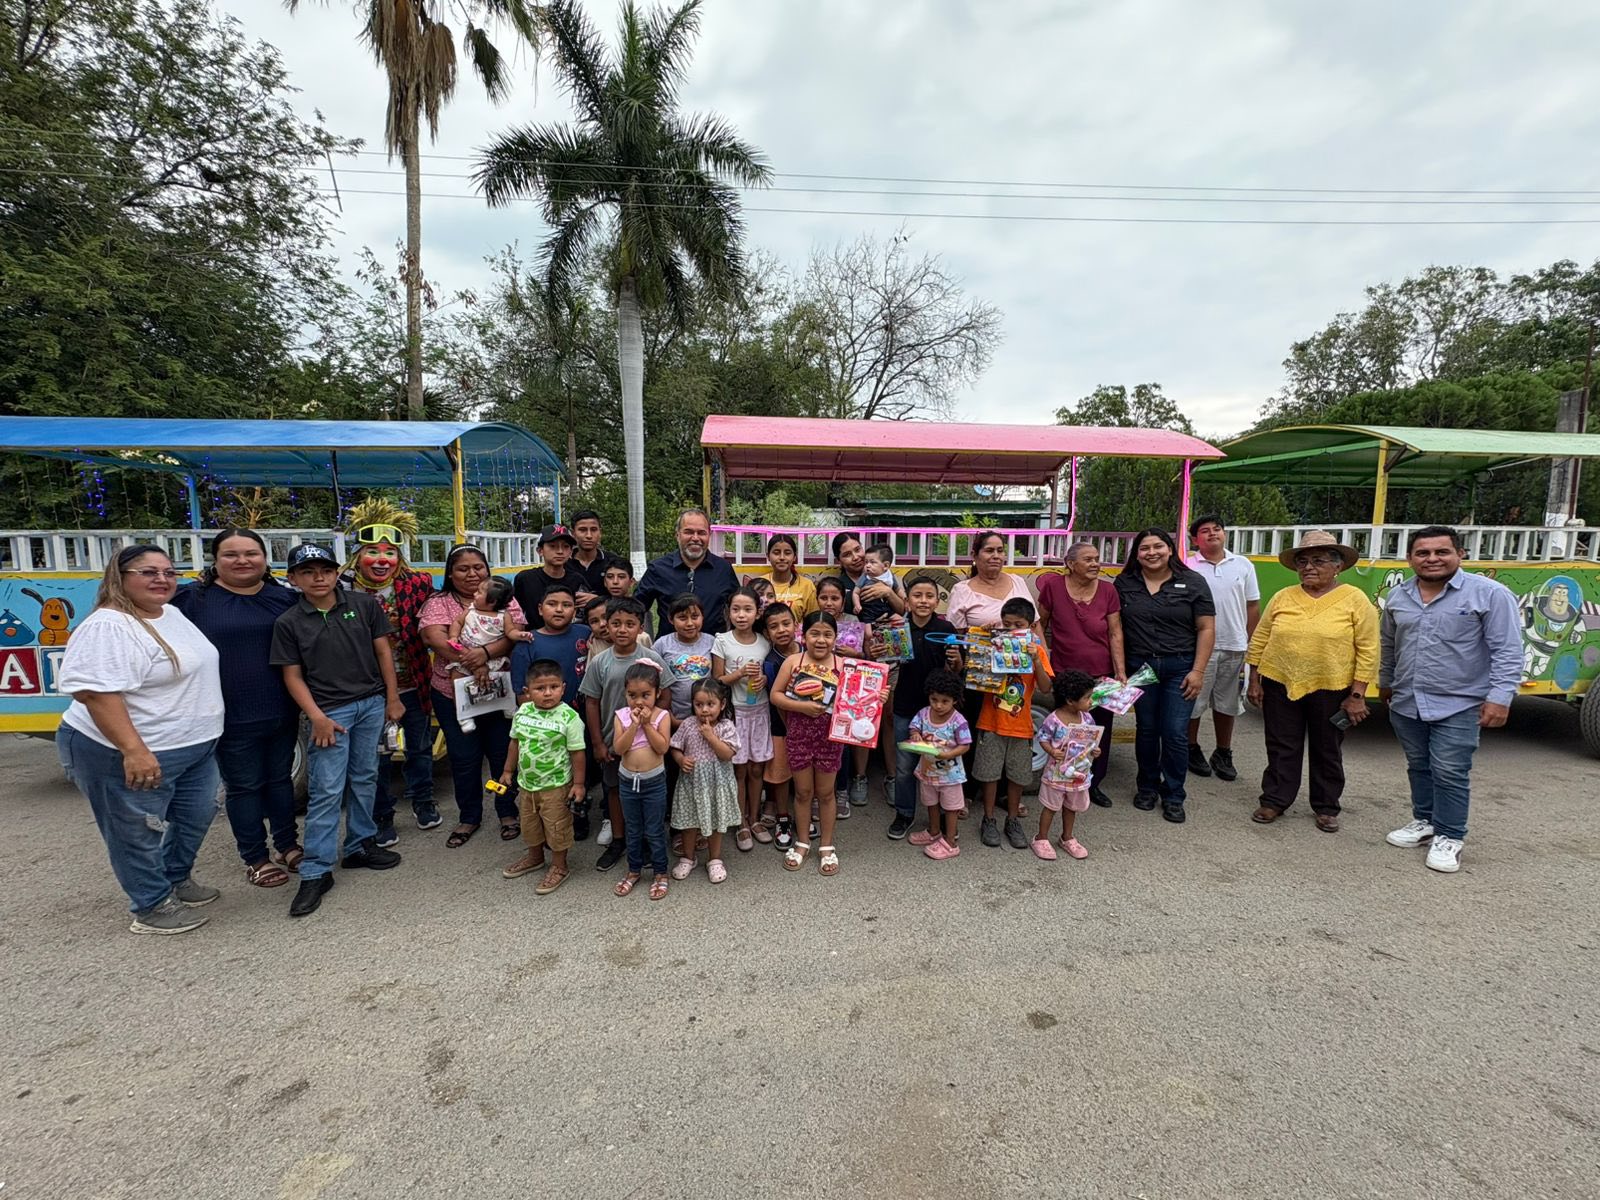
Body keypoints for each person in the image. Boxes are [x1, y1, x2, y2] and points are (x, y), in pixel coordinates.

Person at [57, 545, 224, 935]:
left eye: (168, 571)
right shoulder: (109, 626)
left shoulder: (172, 614)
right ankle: (151, 905)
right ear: (120, 576)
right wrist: (133, 750)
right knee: (136, 828)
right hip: (127, 750)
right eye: (147, 572)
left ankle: (174, 878)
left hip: (193, 746)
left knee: (197, 814)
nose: (162, 579)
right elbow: (96, 694)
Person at [270, 544, 406, 918]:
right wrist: (316, 716)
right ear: (293, 578)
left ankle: (360, 845)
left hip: (371, 703)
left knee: (365, 776)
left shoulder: (363, 605)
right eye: (308, 572)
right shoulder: (290, 622)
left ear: (336, 573)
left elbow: (383, 654)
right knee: (326, 790)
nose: (318, 578)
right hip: (330, 713)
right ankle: (315, 870)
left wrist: (392, 697)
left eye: (325, 570)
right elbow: (292, 675)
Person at [1379, 525, 1521, 873]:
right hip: (1407, 700)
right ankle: (1425, 821)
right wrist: (1386, 682)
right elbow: (1388, 644)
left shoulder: (1489, 594)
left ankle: (1450, 835)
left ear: (1460, 554)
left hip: (1461, 702)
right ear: (1410, 558)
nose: (1432, 559)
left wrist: (1500, 697)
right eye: (1422, 553)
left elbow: (1508, 650)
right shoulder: (1399, 597)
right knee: (1419, 765)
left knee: (1450, 770)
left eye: (1441, 552)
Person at [171, 528, 300, 889]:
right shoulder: (192, 601)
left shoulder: (285, 599)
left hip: (281, 707)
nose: (242, 560)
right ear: (215, 561)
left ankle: (287, 845)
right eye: (231, 554)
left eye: (251, 553)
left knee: (280, 781)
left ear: (265, 559)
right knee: (243, 786)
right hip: (227, 712)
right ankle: (255, 857)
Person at [1245, 531, 1378, 834]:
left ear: (1337, 566)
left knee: (1327, 747)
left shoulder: (1355, 599)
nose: (1308, 567)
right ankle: (1275, 799)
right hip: (1279, 681)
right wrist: (1254, 679)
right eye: (1303, 561)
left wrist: (1357, 694)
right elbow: (1261, 638)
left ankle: (1326, 806)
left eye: (1318, 560)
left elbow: (1369, 649)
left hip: (1332, 686)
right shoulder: (1283, 596)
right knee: (1281, 744)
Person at [339, 504, 440, 842]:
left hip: (413, 681)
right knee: (375, 756)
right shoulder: (341, 588)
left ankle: (423, 802)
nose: (382, 560)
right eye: (372, 552)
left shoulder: (417, 584)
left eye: (389, 553)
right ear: (358, 554)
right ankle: (382, 815)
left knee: (419, 748)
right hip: (365, 688)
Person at [420, 545, 524, 847]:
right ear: (450, 574)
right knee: (464, 758)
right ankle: (469, 816)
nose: (471, 574)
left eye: (478, 567)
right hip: (452, 693)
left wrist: (485, 653)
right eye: (463, 569)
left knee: (501, 755)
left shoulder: (506, 599)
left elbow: (514, 631)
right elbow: (433, 636)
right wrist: (472, 658)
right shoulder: (439, 602)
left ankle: (506, 810)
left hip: (497, 691)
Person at [1114, 527, 1216, 824]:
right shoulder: (1125, 583)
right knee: (1146, 729)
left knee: (1173, 732)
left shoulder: (1193, 582)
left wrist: (1198, 671)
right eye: (1144, 548)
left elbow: (1206, 628)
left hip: (1180, 668)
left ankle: (1173, 794)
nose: (1152, 553)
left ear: (1170, 549)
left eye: (1158, 546)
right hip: (1142, 668)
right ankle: (1146, 787)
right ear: (1137, 554)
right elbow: (1115, 627)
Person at [580, 596, 678, 871]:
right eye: (616, 624)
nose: (622, 629)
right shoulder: (600, 662)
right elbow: (591, 701)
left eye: (630, 624)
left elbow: (666, 691)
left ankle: (648, 840)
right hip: (615, 743)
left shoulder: (651, 658)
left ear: (640, 628)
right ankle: (619, 840)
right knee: (615, 791)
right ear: (607, 626)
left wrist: (656, 719)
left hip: (649, 745)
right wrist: (598, 742)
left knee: (651, 794)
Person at [1034, 540, 1126, 807]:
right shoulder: (1053, 587)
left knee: (1099, 730)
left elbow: (1115, 631)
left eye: (1097, 558)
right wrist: (1045, 662)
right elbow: (1041, 624)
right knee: (1065, 728)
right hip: (1065, 673)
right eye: (1088, 559)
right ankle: (1060, 780)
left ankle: (1093, 782)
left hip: (1101, 673)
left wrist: (1120, 672)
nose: (1095, 563)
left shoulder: (1108, 591)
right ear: (1070, 564)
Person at [508, 582, 592, 838]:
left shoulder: (585, 633)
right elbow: (522, 694)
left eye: (567, 605)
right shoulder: (528, 643)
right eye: (552, 604)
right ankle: (543, 824)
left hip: (581, 717)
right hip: (545, 727)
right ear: (540, 609)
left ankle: (579, 813)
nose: (559, 610)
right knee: (551, 770)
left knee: (579, 766)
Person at [832, 531, 907, 809]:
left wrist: (888, 592)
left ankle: (891, 777)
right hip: (858, 660)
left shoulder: (886, 575)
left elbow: (904, 609)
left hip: (890, 657)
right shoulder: (839, 586)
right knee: (861, 717)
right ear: (839, 560)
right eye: (847, 554)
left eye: (858, 549)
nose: (856, 557)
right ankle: (860, 777)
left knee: (888, 719)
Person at [498, 659, 586, 894]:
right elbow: (514, 743)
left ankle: (559, 866)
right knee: (530, 824)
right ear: (527, 691)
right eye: (540, 688)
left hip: (556, 785)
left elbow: (577, 753)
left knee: (557, 827)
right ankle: (535, 857)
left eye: (554, 687)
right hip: (527, 785)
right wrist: (507, 771)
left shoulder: (569, 718)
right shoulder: (523, 712)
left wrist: (578, 783)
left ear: (563, 688)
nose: (548, 693)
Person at [1185, 515, 1260, 783]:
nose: (1212, 534)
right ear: (1196, 539)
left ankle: (1223, 751)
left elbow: (1252, 605)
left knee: (1228, 703)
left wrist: (1249, 640)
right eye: (1205, 531)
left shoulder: (1242, 564)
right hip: (1199, 648)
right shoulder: (1187, 565)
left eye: (1217, 529)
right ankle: (1191, 748)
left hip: (1235, 645)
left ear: (1224, 534)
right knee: (1193, 702)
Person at [973, 597, 1052, 850]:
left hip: (1021, 725)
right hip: (990, 721)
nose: (1012, 630)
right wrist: (982, 639)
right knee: (989, 773)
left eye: (1019, 625)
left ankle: (1013, 819)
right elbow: (973, 672)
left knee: (1018, 776)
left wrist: (1036, 659)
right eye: (1007, 625)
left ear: (1031, 627)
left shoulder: (1036, 650)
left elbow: (1046, 687)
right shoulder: (993, 644)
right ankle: (988, 818)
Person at [771, 611, 845, 876]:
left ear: (836, 638)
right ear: (804, 635)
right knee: (802, 792)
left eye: (827, 634)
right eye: (815, 633)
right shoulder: (793, 661)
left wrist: (877, 696)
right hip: (799, 735)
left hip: (831, 738)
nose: (821, 640)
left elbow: (858, 703)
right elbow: (775, 695)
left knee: (826, 793)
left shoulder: (845, 665)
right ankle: (802, 841)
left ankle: (826, 845)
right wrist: (802, 707)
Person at [888, 574, 961, 840]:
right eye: (917, 595)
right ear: (907, 600)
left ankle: (943, 814)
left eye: (929, 596)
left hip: (939, 713)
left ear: (937, 600)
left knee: (941, 764)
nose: (923, 601)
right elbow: (886, 662)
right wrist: (878, 651)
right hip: (905, 706)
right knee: (905, 766)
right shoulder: (897, 627)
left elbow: (956, 671)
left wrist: (955, 661)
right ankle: (904, 813)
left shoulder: (947, 629)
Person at [713, 586, 772, 852]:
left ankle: (756, 818)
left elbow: (771, 674)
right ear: (728, 612)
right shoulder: (722, 641)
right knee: (739, 769)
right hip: (734, 713)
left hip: (760, 712)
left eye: (747, 609)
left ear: (757, 612)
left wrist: (764, 680)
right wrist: (737, 675)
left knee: (757, 768)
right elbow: (716, 681)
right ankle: (741, 823)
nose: (741, 615)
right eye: (736, 609)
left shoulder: (765, 641)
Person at [611, 662, 673, 900]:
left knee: (655, 830)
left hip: (653, 782)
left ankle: (660, 872)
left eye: (646, 695)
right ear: (625, 693)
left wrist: (646, 724)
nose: (639, 702)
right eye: (632, 695)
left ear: (657, 693)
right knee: (633, 829)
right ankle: (634, 870)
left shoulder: (661, 716)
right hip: (628, 781)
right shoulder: (621, 716)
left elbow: (662, 748)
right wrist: (633, 725)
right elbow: (619, 748)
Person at [669, 677, 741, 884]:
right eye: (699, 704)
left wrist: (711, 737)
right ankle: (688, 857)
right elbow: (675, 746)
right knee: (689, 822)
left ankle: (715, 858)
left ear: (722, 704)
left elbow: (727, 754)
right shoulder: (688, 724)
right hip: (692, 784)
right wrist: (680, 759)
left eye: (710, 704)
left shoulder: (726, 726)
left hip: (717, 784)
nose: (704, 710)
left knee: (717, 821)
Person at [635, 508, 740, 638]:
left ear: (709, 535)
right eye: (688, 532)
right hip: (669, 652)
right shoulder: (658, 569)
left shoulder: (723, 569)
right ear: (677, 535)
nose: (695, 538)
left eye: (701, 533)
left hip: (714, 651)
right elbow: (636, 609)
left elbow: (739, 607)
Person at [905, 668, 972, 861]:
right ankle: (933, 831)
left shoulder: (958, 721)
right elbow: (914, 727)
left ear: (955, 700)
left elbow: (965, 745)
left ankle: (950, 841)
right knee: (930, 803)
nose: (939, 705)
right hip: (927, 772)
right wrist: (915, 735)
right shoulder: (924, 713)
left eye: (945, 701)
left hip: (951, 775)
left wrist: (949, 753)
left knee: (951, 808)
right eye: (934, 700)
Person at [1033, 670, 1100, 861]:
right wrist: (1052, 751)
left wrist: (1096, 750)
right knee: (1051, 807)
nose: (1091, 701)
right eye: (1087, 697)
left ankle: (1067, 837)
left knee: (1072, 807)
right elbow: (1043, 738)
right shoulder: (1054, 719)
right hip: (1056, 774)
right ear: (1070, 700)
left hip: (1078, 773)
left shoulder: (1087, 719)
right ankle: (1041, 838)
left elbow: (1093, 741)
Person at [446, 577, 530, 701]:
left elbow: (510, 632)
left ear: (492, 602)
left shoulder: (504, 615)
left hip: (492, 658)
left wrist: (520, 635)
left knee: (495, 683)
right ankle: (463, 712)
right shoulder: (470, 610)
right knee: (456, 678)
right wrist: (453, 636)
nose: (474, 594)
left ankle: (506, 706)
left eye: (479, 592)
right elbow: (457, 622)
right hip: (466, 655)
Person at [759, 602, 799, 848]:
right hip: (780, 726)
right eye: (774, 626)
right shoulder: (771, 662)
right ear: (767, 633)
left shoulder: (810, 650)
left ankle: (803, 814)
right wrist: (791, 728)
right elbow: (778, 700)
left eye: (786, 623)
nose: (782, 630)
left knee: (806, 775)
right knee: (781, 775)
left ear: (796, 624)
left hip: (810, 727)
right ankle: (783, 817)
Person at [513, 524, 581, 620]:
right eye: (553, 546)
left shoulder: (576, 580)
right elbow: (514, 612)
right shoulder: (525, 579)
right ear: (540, 551)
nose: (560, 551)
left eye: (565, 546)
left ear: (570, 552)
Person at [765, 533, 817, 621]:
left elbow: (813, 621)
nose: (782, 557)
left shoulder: (807, 585)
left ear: (794, 557)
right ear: (768, 556)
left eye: (787, 553)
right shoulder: (760, 583)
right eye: (776, 553)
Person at [567, 509, 613, 605]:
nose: (589, 535)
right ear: (573, 533)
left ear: (600, 532)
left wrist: (599, 600)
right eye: (582, 530)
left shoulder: (613, 562)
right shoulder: (563, 563)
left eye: (593, 530)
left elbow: (625, 598)